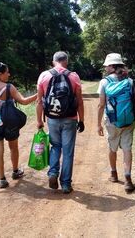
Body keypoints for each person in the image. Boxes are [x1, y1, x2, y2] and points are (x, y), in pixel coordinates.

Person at [0, 62, 37, 188]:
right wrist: (39, 94)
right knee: (13, 147)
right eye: (7, 72)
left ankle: (2, 179)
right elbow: (23, 101)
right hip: (9, 121)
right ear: (0, 74)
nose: (9, 74)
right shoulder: (8, 87)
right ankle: (15, 171)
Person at [36, 51, 85, 194]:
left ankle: (52, 173)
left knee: (55, 146)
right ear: (66, 61)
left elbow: (39, 101)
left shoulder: (44, 76)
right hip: (70, 119)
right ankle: (65, 184)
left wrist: (39, 121)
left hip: (52, 118)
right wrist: (81, 120)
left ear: (53, 61)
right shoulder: (74, 76)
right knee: (68, 151)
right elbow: (80, 101)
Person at [97, 53, 135, 193]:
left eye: (106, 66)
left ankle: (114, 174)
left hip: (112, 121)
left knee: (112, 147)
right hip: (129, 121)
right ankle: (128, 179)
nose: (105, 68)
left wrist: (98, 124)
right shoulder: (130, 81)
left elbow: (101, 105)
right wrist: (134, 116)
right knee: (127, 148)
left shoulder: (105, 82)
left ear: (111, 66)